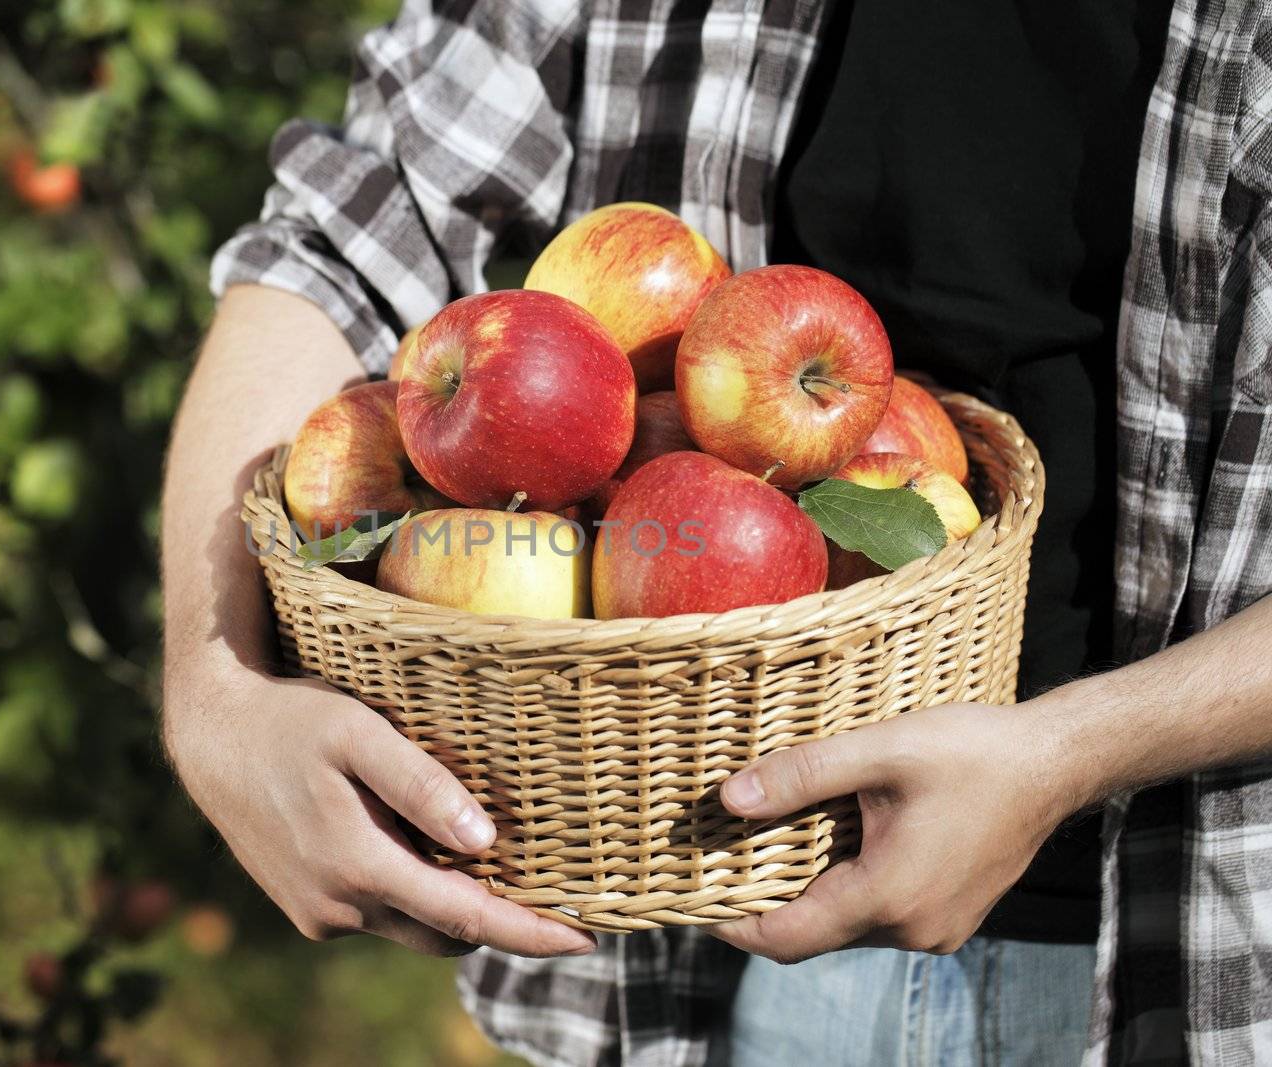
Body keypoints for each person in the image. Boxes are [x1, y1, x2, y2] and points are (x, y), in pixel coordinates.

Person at [160, 1, 1272, 1063]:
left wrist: (1067, 753)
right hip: (672, 920)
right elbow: (349, 223)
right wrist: (214, 695)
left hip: (1180, 936)